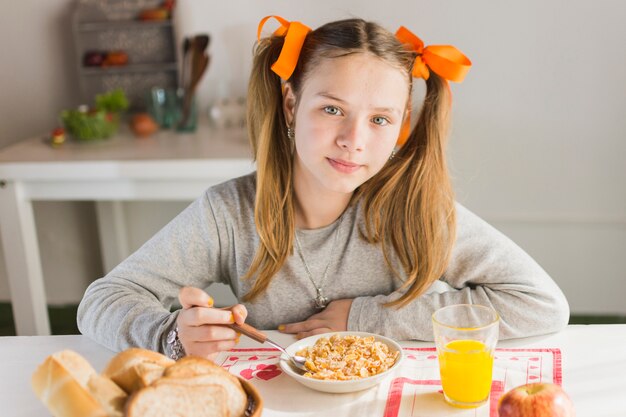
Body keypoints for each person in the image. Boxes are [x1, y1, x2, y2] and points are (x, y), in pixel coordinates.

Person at [77, 16, 569, 360]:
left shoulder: (417, 211)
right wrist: (171, 333)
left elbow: (542, 303)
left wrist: (367, 318)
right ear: (291, 105)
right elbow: (103, 299)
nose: (353, 141)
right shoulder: (227, 213)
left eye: (379, 119)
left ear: (400, 127)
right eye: (332, 109)